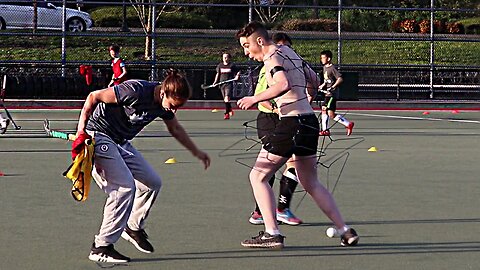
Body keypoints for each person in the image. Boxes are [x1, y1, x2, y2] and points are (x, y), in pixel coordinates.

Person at [236, 21, 359, 249]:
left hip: (290, 123)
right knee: (311, 182)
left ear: (260, 41)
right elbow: (313, 80)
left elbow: (282, 84)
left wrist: (255, 98)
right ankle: (345, 230)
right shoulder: (289, 51)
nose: (246, 52)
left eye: (246, 45)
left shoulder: (271, 57)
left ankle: (272, 233)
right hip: (309, 122)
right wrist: (306, 98)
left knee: (258, 177)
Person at [74, 70, 211, 263]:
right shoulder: (135, 91)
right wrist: (81, 132)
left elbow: (175, 128)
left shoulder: (165, 106)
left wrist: (196, 151)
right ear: (163, 93)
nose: (173, 111)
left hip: (120, 141)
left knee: (151, 182)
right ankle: (101, 246)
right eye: (173, 105)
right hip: (99, 135)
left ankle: (132, 226)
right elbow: (93, 96)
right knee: (123, 188)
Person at [249, 32, 302, 226]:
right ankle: (261, 212)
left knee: (293, 164)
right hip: (269, 120)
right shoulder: (270, 65)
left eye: (287, 47)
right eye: (281, 46)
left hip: (286, 120)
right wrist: (276, 106)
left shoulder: (290, 64)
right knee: (268, 167)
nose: (284, 50)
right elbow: (262, 97)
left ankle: (280, 209)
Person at [318, 50, 354, 136]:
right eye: (321, 57)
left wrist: (333, 87)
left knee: (324, 109)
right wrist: (322, 86)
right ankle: (348, 124)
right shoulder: (324, 68)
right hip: (327, 93)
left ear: (329, 58)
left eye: (323, 57)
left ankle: (325, 130)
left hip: (331, 94)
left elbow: (340, 79)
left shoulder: (332, 68)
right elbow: (327, 80)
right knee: (331, 114)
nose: (322, 59)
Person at [213, 53, 240, 120]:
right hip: (222, 84)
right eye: (223, 57)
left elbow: (238, 71)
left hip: (229, 84)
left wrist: (237, 76)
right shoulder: (220, 65)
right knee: (225, 100)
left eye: (226, 57)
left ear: (229, 58)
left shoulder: (232, 65)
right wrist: (215, 82)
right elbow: (218, 74)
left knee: (227, 98)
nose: (225, 59)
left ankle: (226, 114)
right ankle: (230, 109)